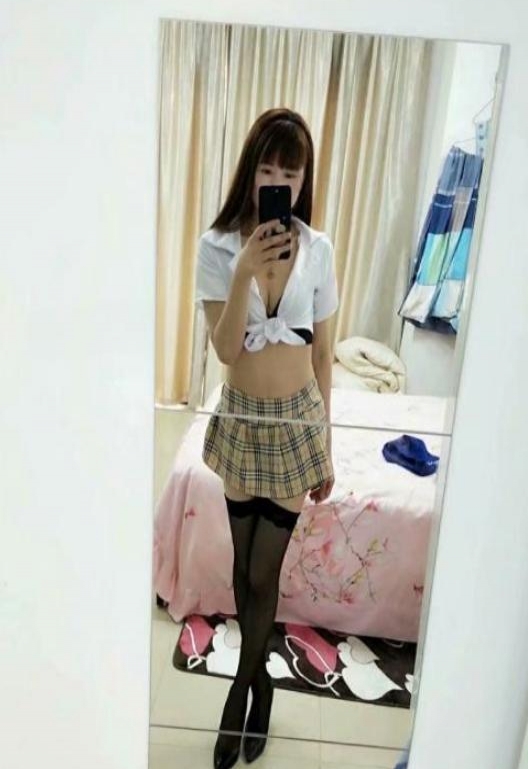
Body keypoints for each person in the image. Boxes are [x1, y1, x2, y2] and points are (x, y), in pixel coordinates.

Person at [194, 108, 339, 769]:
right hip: (242, 418)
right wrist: (244, 271)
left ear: (304, 180)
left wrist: (326, 442)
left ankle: (242, 693)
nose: (278, 181)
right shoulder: (217, 246)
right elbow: (226, 351)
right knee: (240, 565)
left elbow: (325, 354)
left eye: (291, 172)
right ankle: (262, 682)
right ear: (251, 170)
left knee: (263, 571)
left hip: (295, 422)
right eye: (269, 167)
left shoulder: (319, 248)